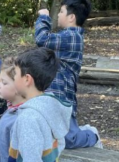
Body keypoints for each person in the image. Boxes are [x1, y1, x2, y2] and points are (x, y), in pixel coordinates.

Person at [8, 48, 72, 162]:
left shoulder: (29, 117)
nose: (14, 78)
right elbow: (59, 144)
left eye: (16, 74)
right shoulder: (49, 106)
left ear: (27, 79)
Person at [35, 0, 103, 149]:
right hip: (53, 94)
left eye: (61, 12)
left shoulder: (73, 37)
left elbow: (42, 39)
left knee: (69, 139)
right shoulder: (65, 36)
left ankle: (92, 135)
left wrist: (43, 18)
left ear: (71, 17)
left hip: (63, 96)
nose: (58, 15)